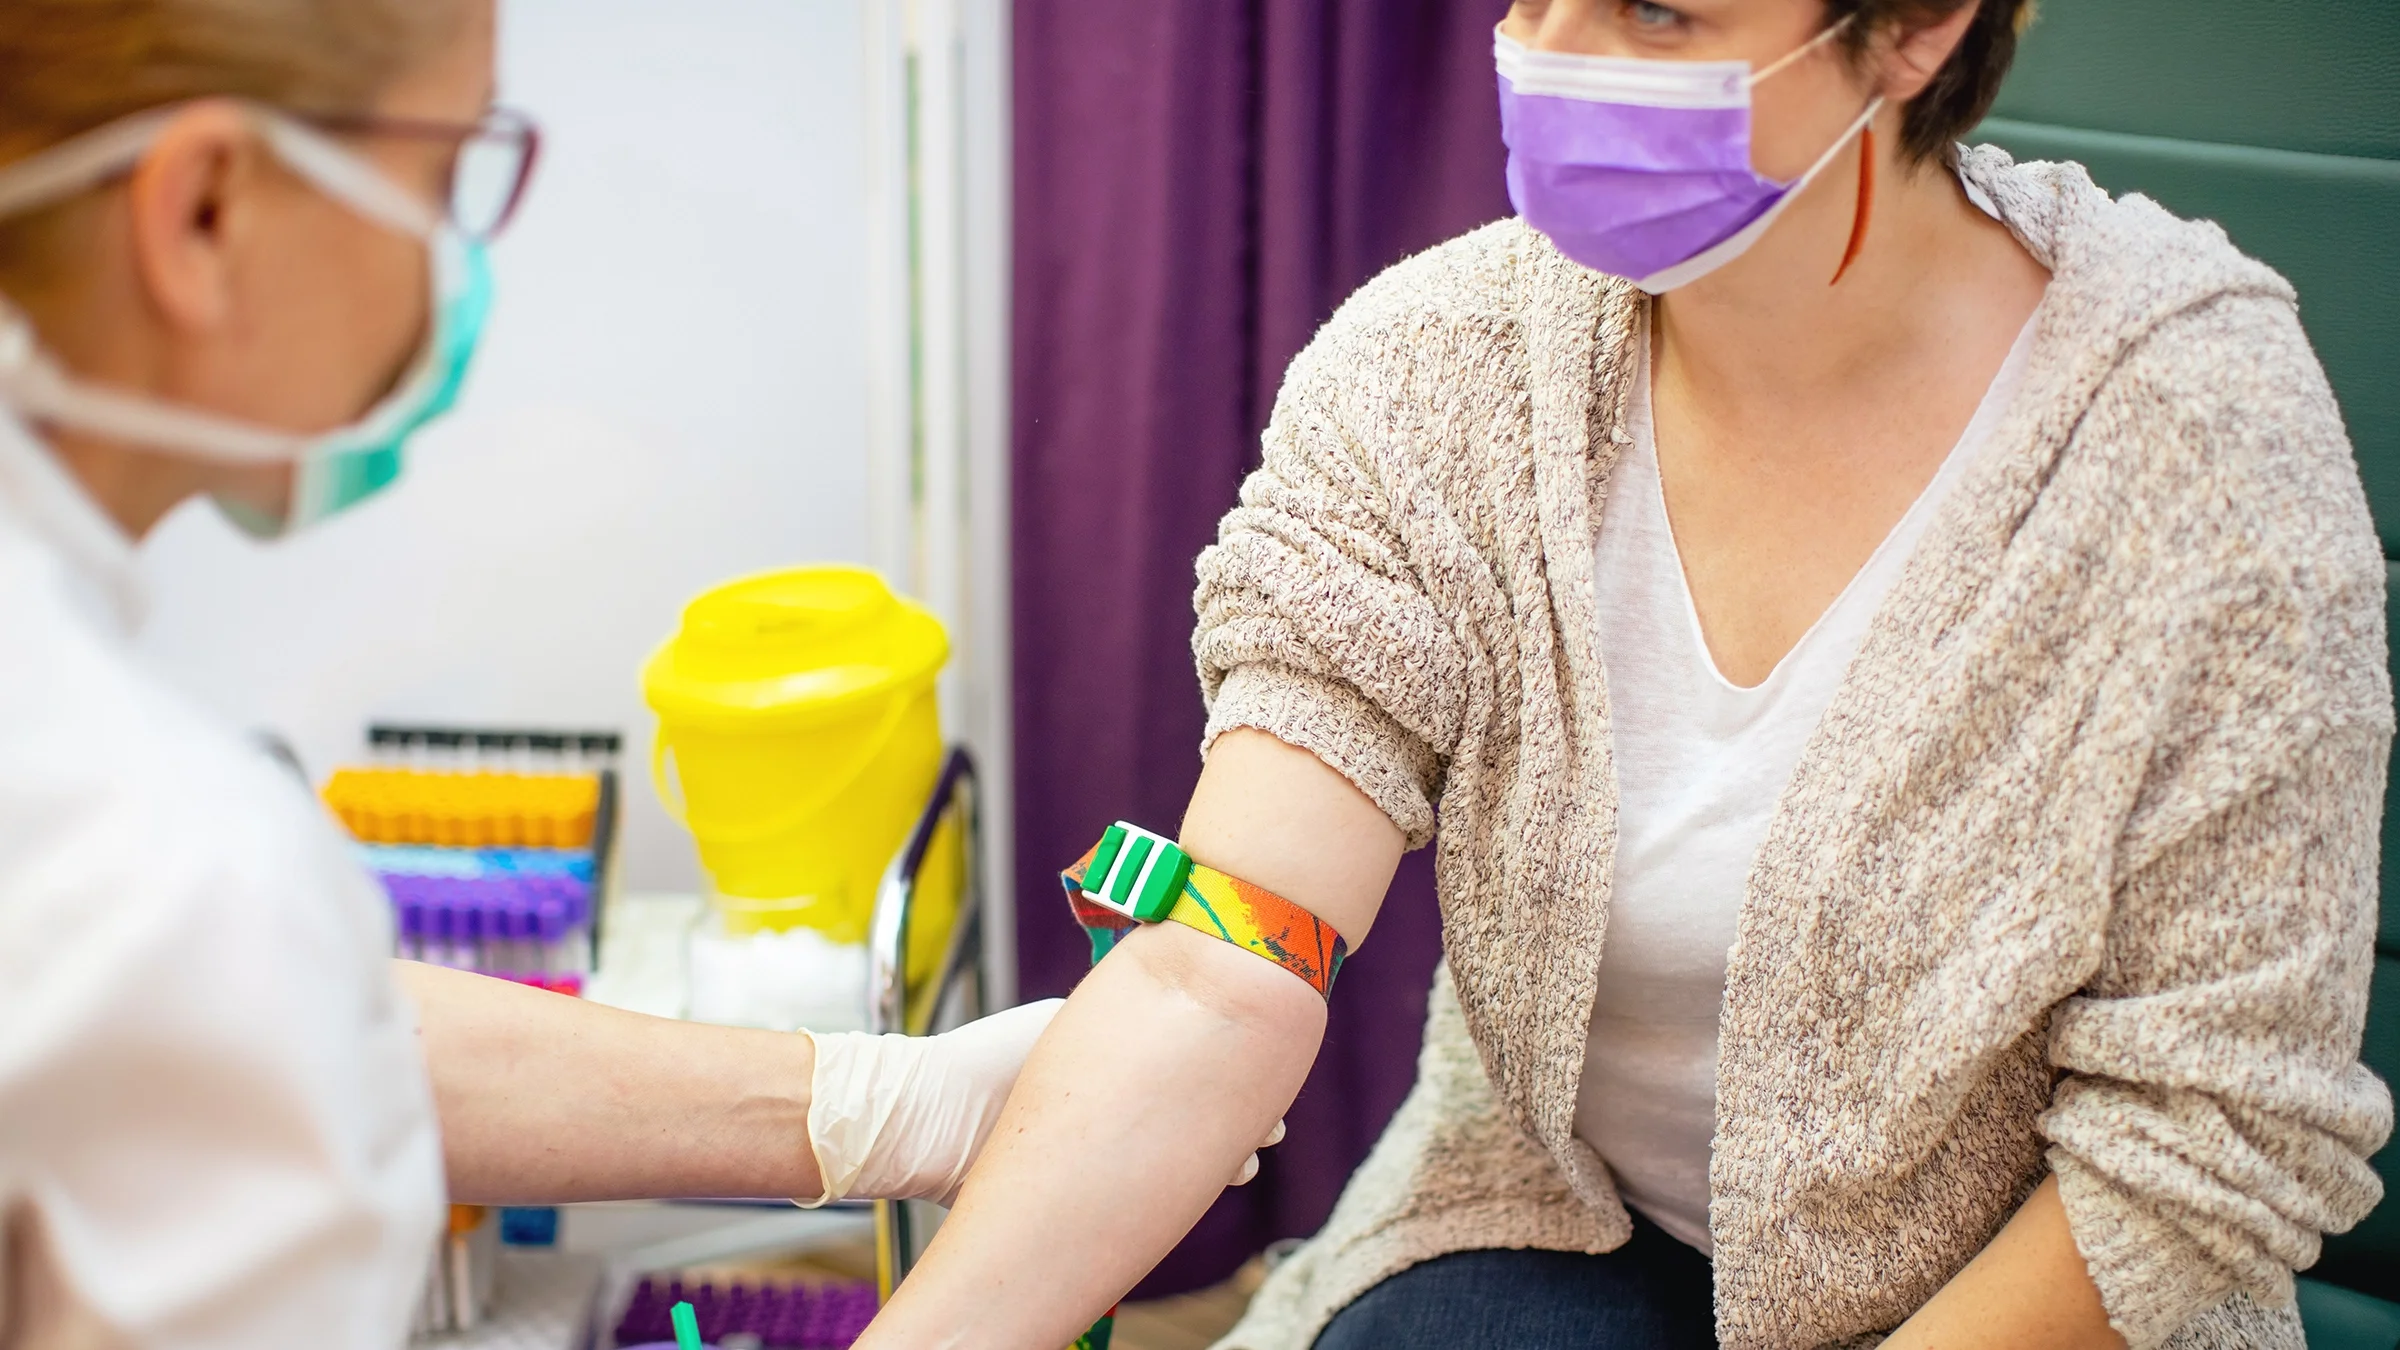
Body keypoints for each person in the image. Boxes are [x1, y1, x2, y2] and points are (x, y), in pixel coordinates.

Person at [862, 1, 2393, 1348]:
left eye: (1658, 13)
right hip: (1566, 1214)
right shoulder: (1437, 372)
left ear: (1918, 26)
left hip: (2031, 1296)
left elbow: (2202, 1143)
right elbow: (1221, 962)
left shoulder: (2201, 446)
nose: (1553, 60)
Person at [0, 1, 1096, 1341]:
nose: (459, 264)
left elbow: (313, 1039)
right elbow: (222, 992)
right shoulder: (157, 860)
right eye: (443, 172)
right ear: (206, 213)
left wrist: (878, 1100)